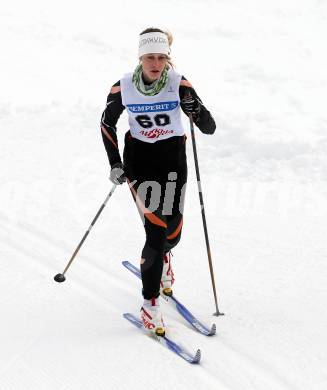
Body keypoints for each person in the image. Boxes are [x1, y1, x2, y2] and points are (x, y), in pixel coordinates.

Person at [101, 27, 216, 336]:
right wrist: (115, 163)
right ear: (140, 57)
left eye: (161, 57)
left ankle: (165, 257)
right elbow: (106, 123)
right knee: (155, 230)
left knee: (173, 234)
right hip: (140, 164)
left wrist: (196, 111)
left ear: (168, 58)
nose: (155, 63)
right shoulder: (123, 87)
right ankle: (150, 305)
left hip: (173, 164)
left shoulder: (180, 85)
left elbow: (209, 127)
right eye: (149, 57)